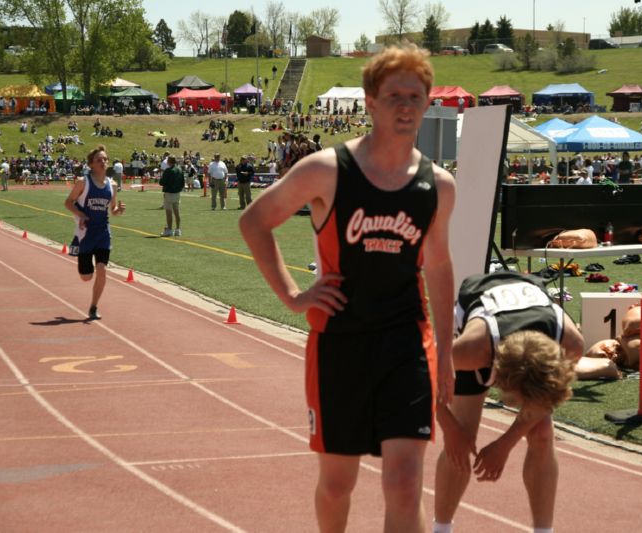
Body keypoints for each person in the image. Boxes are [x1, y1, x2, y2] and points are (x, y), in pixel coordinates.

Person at [239, 44, 456, 532]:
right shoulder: (327, 170)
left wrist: (445, 351)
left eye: (415, 96)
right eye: (393, 95)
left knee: (403, 482)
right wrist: (294, 296)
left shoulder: (438, 186)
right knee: (338, 484)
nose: (405, 105)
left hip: (406, 343)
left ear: (427, 102)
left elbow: (439, 267)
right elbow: (255, 222)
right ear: (370, 102)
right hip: (341, 343)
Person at [433, 271, 583, 533]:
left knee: (543, 432)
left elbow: (544, 399)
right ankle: (441, 529)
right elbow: (415, 376)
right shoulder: (469, 351)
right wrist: (449, 428)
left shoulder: (571, 344)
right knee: (463, 436)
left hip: (530, 319)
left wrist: (505, 444)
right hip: (482, 316)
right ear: (502, 379)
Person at [63, 145, 125, 320]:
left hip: (103, 232)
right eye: (99, 160)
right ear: (91, 164)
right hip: (85, 234)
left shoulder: (112, 185)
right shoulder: (83, 182)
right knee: (86, 277)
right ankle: (85, 269)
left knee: (102, 269)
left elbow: (112, 209)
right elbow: (68, 202)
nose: (103, 162)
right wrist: (81, 214)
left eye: (105, 159)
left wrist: (118, 210)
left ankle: (93, 306)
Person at [159, 156, 184, 237]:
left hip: (169, 192)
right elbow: (182, 182)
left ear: (169, 161)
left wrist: (161, 176)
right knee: (177, 211)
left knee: (169, 212)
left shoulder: (168, 170)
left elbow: (162, 182)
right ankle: (178, 229)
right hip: (177, 193)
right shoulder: (180, 169)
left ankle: (169, 229)